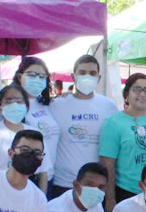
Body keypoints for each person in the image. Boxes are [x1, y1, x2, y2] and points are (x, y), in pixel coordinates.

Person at [48, 54, 119, 199]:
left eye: (92, 73)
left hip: (96, 186)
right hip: (62, 184)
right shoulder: (56, 105)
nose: (87, 76)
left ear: (99, 78)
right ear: (73, 77)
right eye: (82, 72)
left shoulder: (109, 106)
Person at [99, 73, 146, 212]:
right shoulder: (113, 123)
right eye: (137, 89)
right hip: (127, 192)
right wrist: (110, 199)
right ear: (127, 93)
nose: (142, 94)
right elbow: (108, 165)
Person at [14, 56, 59, 193]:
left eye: (41, 76)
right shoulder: (12, 104)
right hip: (26, 177)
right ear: (20, 76)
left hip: (48, 177)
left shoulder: (44, 104)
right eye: (32, 75)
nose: (37, 79)